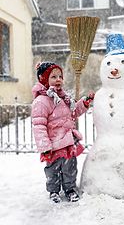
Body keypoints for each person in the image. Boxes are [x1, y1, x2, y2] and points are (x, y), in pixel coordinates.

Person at [31, 61, 94, 203]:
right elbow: (39, 126)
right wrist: (44, 146)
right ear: (43, 79)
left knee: (70, 168)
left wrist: (84, 103)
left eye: (60, 76)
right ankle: (53, 191)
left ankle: (70, 189)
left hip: (67, 141)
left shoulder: (63, 97)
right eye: (53, 77)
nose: (58, 79)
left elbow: (73, 112)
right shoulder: (42, 101)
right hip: (53, 144)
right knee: (53, 170)